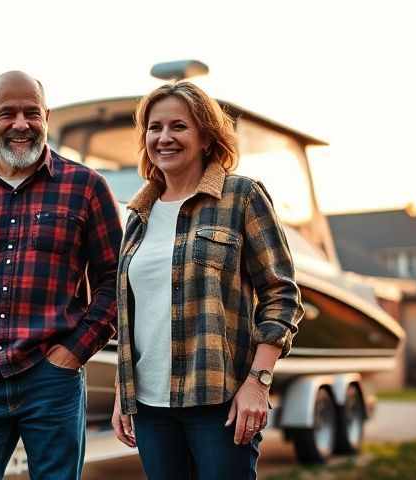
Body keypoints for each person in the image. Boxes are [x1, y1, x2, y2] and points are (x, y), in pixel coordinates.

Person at [0, 71, 123, 480]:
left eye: (31, 113)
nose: (20, 124)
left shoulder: (85, 187)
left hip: (52, 381)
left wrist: (72, 354)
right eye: (7, 113)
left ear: (46, 117)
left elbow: (116, 282)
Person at [111, 81, 304, 479]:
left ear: (205, 136)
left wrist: (258, 382)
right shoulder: (138, 216)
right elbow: (134, 315)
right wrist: (121, 393)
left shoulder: (241, 197)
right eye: (154, 127)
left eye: (178, 126)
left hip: (220, 402)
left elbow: (282, 294)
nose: (164, 137)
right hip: (149, 409)